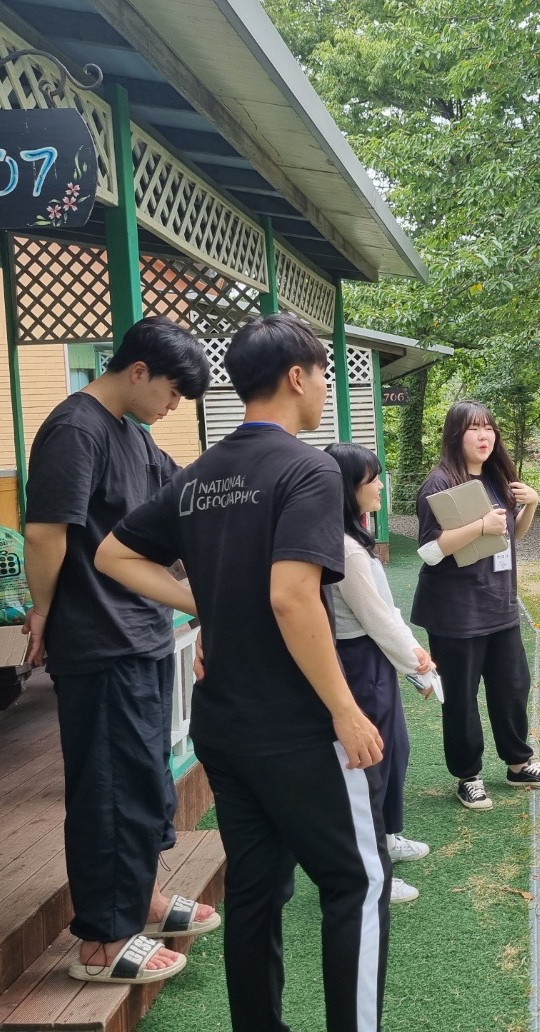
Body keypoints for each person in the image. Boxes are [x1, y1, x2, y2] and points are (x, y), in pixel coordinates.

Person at [96, 314, 388, 1032]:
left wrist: (207, 601)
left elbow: (112, 554)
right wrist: (345, 709)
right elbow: (293, 598)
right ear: (297, 376)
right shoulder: (310, 469)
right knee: (356, 882)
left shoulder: (198, 477)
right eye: (323, 376)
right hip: (298, 727)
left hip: (223, 725)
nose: (324, 389)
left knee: (256, 889)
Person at [22, 316, 216, 984]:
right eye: (172, 392)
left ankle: (145, 901)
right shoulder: (76, 429)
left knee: (144, 781)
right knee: (109, 790)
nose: (173, 407)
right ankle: (103, 942)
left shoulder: (135, 436)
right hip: (98, 639)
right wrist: (42, 611)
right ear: (138, 371)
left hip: (142, 632)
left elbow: (176, 511)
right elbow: (46, 533)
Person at [411, 400, 540, 810]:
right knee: (461, 697)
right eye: (474, 429)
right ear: (455, 435)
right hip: (456, 612)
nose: (484, 436)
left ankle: (519, 763)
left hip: (500, 603)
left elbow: (511, 536)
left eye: (489, 428)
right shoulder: (440, 483)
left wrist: (530, 504)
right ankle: (468, 776)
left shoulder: (498, 478)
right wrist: (479, 525)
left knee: (513, 686)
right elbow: (429, 550)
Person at [324, 441, 436, 905]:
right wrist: (417, 662)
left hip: (373, 659)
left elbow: (384, 612)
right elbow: (375, 618)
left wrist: (411, 659)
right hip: (358, 661)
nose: (381, 488)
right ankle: (371, 874)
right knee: (370, 763)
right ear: (349, 488)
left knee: (394, 751)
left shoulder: (355, 538)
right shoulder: (346, 549)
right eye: (372, 480)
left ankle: (386, 838)